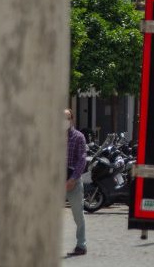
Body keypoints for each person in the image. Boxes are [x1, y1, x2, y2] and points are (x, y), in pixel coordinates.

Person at [65, 109, 87, 255]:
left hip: (72, 179)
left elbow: (82, 159)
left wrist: (73, 179)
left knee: (78, 214)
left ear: (71, 119)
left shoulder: (78, 137)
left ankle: (81, 245)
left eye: (66, 118)